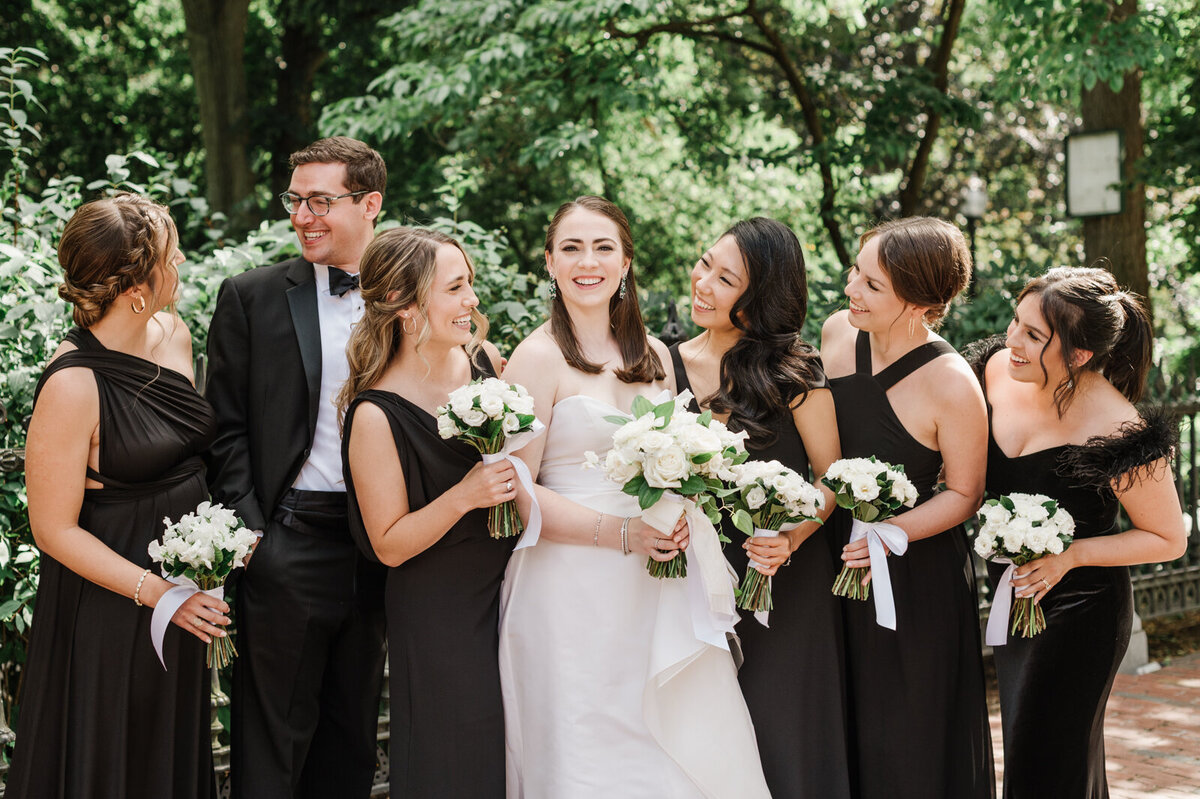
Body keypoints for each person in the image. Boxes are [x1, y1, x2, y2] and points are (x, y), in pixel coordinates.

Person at [498, 196, 769, 798]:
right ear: (549, 261)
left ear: (625, 263)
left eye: (603, 248)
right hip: (568, 589)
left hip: (657, 584)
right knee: (585, 748)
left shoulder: (654, 357)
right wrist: (623, 534)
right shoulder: (536, 359)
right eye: (571, 248)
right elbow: (520, 494)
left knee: (676, 742)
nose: (586, 262)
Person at [7, 194, 223, 798]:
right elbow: (52, 529)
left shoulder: (173, 333)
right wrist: (159, 596)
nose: (181, 265)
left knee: (166, 752)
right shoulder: (73, 383)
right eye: (171, 257)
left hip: (183, 591)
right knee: (112, 757)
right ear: (136, 286)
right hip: (112, 602)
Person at [205, 137, 388, 799]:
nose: (301, 215)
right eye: (295, 199)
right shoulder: (250, 297)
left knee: (352, 744)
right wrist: (255, 538)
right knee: (271, 749)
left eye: (319, 200)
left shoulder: (407, 295)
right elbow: (222, 428)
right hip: (286, 542)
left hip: (378, 547)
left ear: (369, 203)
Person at [971, 266, 1186, 799]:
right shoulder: (996, 371)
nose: (1012, 341)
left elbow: (1168, 538)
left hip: (1080, 615)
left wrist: (1071, 555)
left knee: (1045, 767)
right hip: (1015, 603)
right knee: (1035, 756)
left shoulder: (1117, 427)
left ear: (1081, 354)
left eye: (1034, 336)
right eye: (1015, 323)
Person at [668, 217, 850, 798]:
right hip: (690, 581)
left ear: (761, 298)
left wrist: (791, 538)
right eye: (705, 263)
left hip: (782, 580)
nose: (703, 283)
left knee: (781, 732)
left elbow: (832, 478)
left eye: (726, 279)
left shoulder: (796, 374)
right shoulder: (660, 364)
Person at [820, 216, 994, 799]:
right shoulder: (836, 335)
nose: (850, 290)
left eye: (872, 285)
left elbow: (965, 493)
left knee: (909, 730)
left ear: (921, 302)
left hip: (915, 575)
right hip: (834, 557)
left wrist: (887, 534)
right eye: (855, 272)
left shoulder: (952, 383)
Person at [338, 227, 515, 797]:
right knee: (456, 758)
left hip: (513, 588)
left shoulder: (486, 362)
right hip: (439, 609)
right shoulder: (374, 415)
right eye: (456, 287)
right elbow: (388, 542)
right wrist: (464, 495)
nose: (473, 300)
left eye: (470, 284)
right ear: (408, 308)